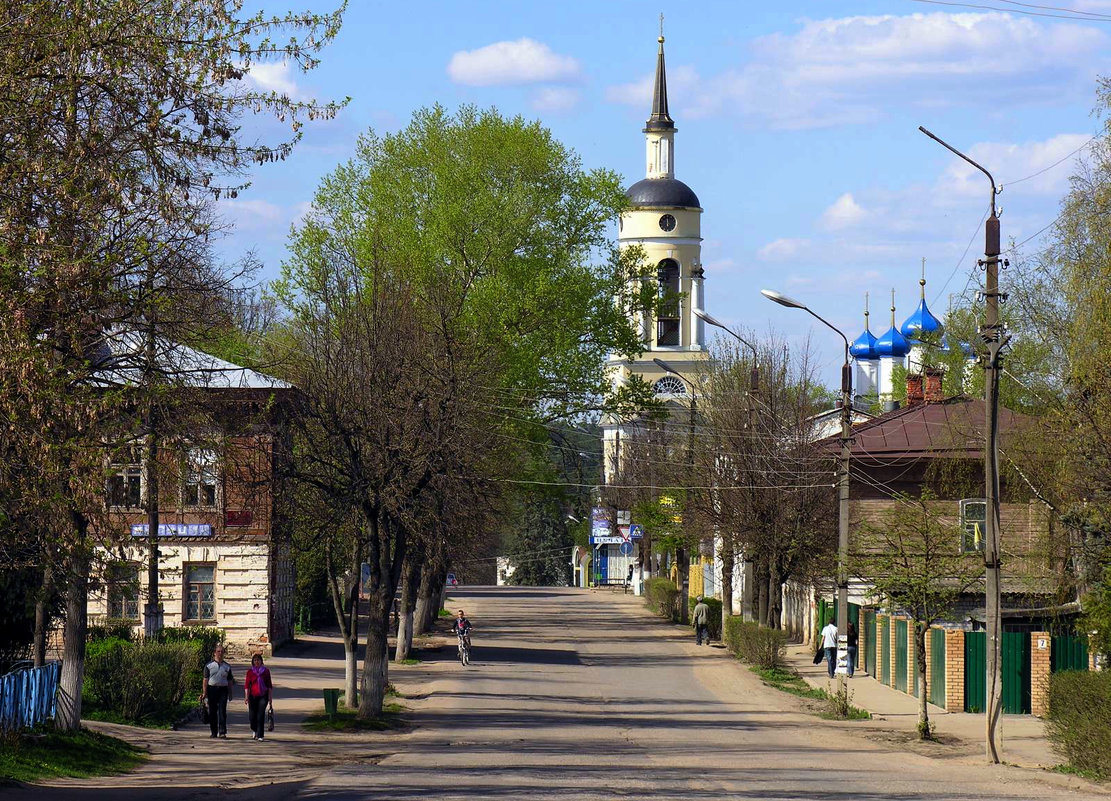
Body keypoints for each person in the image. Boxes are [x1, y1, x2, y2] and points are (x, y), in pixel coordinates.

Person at [200, 644, 235, 738]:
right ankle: (214, 731)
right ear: (214, 653)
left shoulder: (227, 666)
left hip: (223, 690)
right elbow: (205, 680)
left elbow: (230, 680)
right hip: (212, 689)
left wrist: (230, 693)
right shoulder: (209, 665)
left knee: (222, 711)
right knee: (212, 711)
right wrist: (204, 692)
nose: (220, 653)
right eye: (218, 651)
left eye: (222, 652)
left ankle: (222, 731)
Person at [244, 653, 273, 741]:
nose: (257, 662)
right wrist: (246, 696)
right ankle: (254, 729)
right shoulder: (250, 672)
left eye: (258, 660)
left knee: (260, 715)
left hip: (263, 696)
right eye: (255, 660)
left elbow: (269, 685)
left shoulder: (266, 671)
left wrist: (270, 698)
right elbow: (246, 685)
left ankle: (260, 735)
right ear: (253, 662)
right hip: (252, 696)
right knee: (252, 716)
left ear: (261, 661)